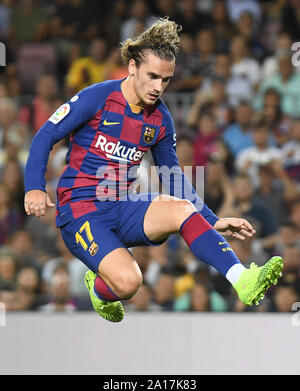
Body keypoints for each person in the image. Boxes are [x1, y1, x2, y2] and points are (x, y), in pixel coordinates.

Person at [24, 18, 283, 323]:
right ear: (132, 67)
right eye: (152, 76)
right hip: (80, 210)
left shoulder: (160, 119)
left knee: (182, 209)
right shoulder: (97, 97)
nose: (159, 87)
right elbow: (45, 135)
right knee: (130, 283)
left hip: (123, 204)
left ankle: (242, 279)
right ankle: (99, 287)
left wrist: (212, 220)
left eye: (167, 80)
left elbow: (173, 177)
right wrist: (34, 187)